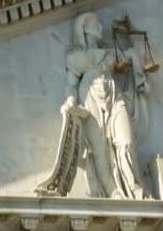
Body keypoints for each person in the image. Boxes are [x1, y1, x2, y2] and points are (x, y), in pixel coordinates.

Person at [62, 12, 148, 198]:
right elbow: (70, 86)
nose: (101, 27)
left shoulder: (110, 54)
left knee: (126, 142)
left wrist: (129, 32)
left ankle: (135, 188)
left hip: (115, 98)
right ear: (85, 29)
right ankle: (112, 191)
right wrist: (70, 102)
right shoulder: (77, 58)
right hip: (91, 101)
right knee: (99, 150)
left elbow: (135, 56)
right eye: (97, 24)